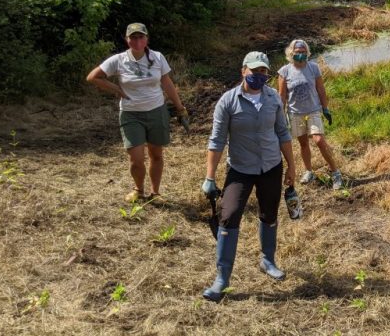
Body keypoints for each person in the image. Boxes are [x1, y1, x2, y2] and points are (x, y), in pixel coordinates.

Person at [201, 51, 296, 302]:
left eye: (263, 71)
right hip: (240, 169)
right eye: (254, 71)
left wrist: (292, 166)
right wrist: (210, 176)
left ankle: (268, 260)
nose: (258, 75)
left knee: (269, 214)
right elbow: (217, 140)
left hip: (271, 167)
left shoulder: (273, 98)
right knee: (229, 215)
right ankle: (222, 278)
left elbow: (283, 133)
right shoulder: (228, 101)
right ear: (243, 70)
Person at [87, 22, 188, 202]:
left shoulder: (157, 57)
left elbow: (166, 83)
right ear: (127, 40)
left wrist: (179, 107)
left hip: (156, 111)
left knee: (156, 155)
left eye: (140, 37)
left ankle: (155, 193)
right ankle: (138, 190)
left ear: (146, 39)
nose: (137, 40)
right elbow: (93, 77)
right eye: (133, 37)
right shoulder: (118, 60)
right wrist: (116, 89)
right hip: (131, 113)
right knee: (136, 158)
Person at [277, 39, 342, 190]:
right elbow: (282, 96)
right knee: (303, 143)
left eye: (303, 52)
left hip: (313, 110)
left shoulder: (313, 68)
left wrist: (325, 108)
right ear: (291, 53)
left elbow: (321, 89)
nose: (301, 55)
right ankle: (308, 171)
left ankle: (335, 172)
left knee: (319, 140)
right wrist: (281, 115)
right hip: (295, 113)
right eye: (298, 52)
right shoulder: (284, 71)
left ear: (307, 53)